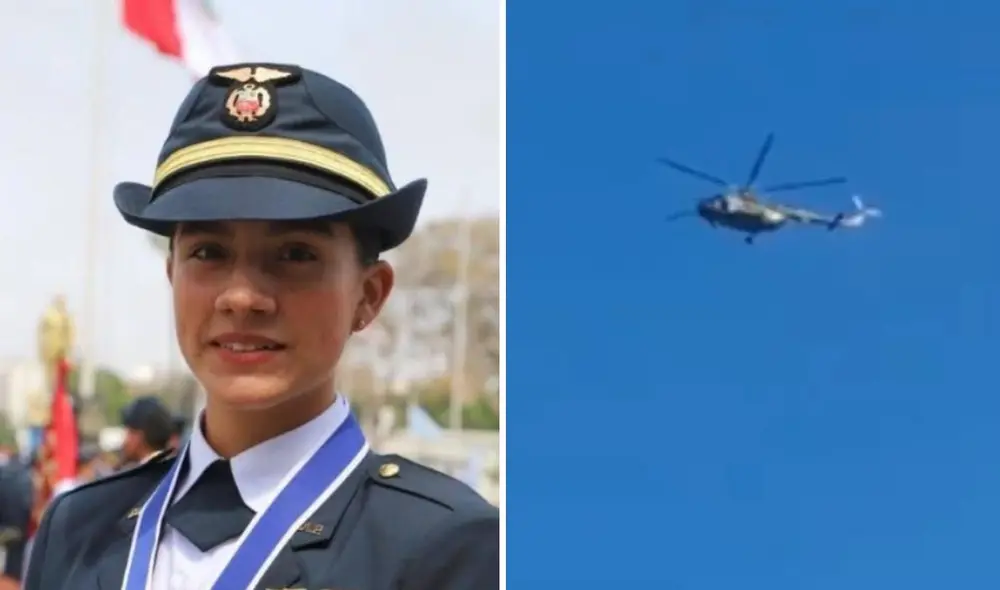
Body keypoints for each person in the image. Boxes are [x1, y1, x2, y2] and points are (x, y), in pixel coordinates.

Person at [25, 63, 498, 590]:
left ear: (368, 295)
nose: (242, 297)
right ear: (172, 274)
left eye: (295, 254)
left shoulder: (444, 547)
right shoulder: (79, 528)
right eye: (208, 252)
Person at [118, 396, 174, 469]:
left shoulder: (141, 477)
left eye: (129, 432)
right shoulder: (175, 470)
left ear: (138, 436)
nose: (124, 441)